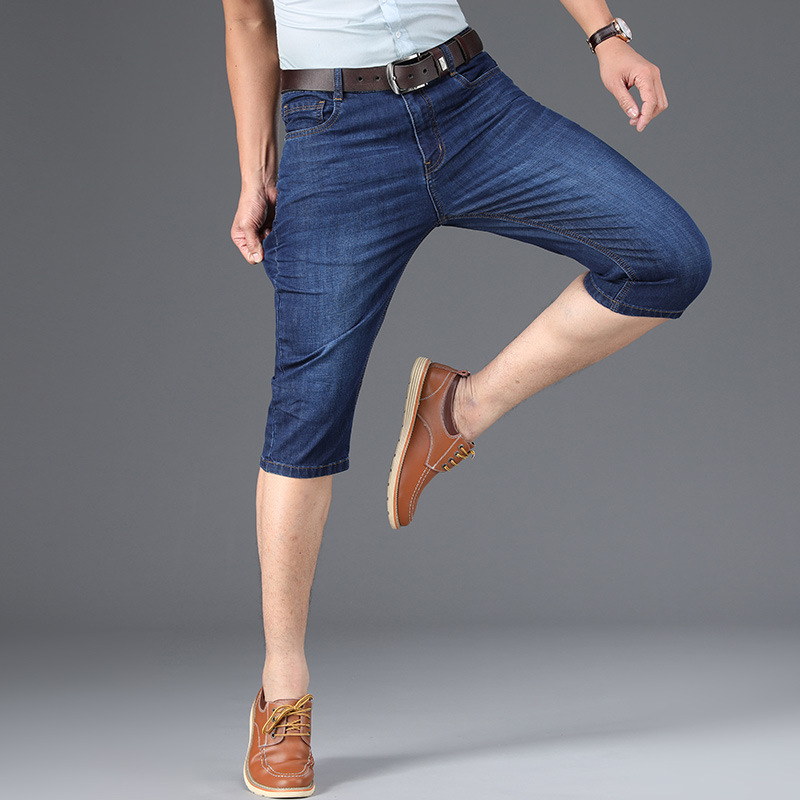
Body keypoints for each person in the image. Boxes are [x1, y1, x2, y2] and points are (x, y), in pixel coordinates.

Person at [221, 1, 711, 795]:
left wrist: (606, 35)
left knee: (668, 256)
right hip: (336, 133)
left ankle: (460, 410)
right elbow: (248, 22)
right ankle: (283, 695)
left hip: (470, 102)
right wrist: (255, 172)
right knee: (306, 415)